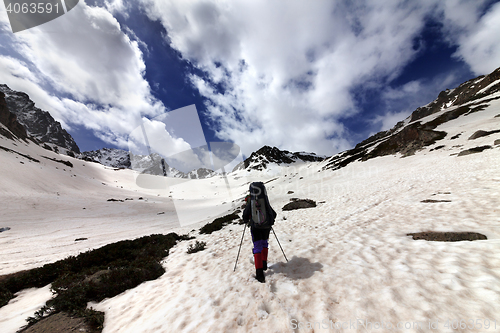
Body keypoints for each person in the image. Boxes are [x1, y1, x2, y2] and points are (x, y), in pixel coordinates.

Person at [242, 182, 277, 283]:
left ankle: (259, 273)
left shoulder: (251, 202)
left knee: (257, 246)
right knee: (264, 243)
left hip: (255, 227)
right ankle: (264, 263)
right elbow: (273, 214)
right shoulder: (265, 201)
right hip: (266, 226)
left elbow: (245, 215)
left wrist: (247, 220)